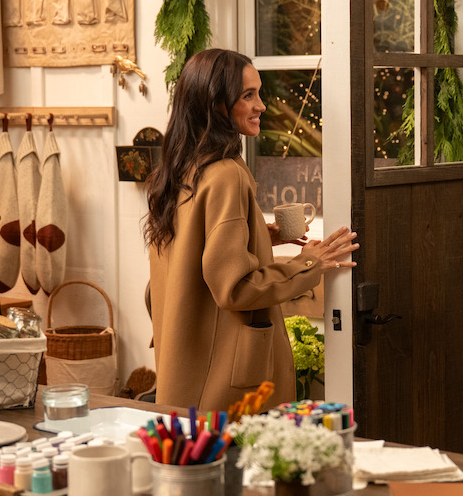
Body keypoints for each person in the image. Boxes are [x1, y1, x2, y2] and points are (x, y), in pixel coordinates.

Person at [144, 48, 358, 411]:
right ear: (215, 104)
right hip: (224, 382)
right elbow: (235, 289)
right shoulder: (226, 173)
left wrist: (261, 235)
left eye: (258, 92)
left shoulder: (181, 167)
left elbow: (189, 256)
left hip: (184, 368)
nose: (261, 105)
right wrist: (309, 263)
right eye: (248, 95)